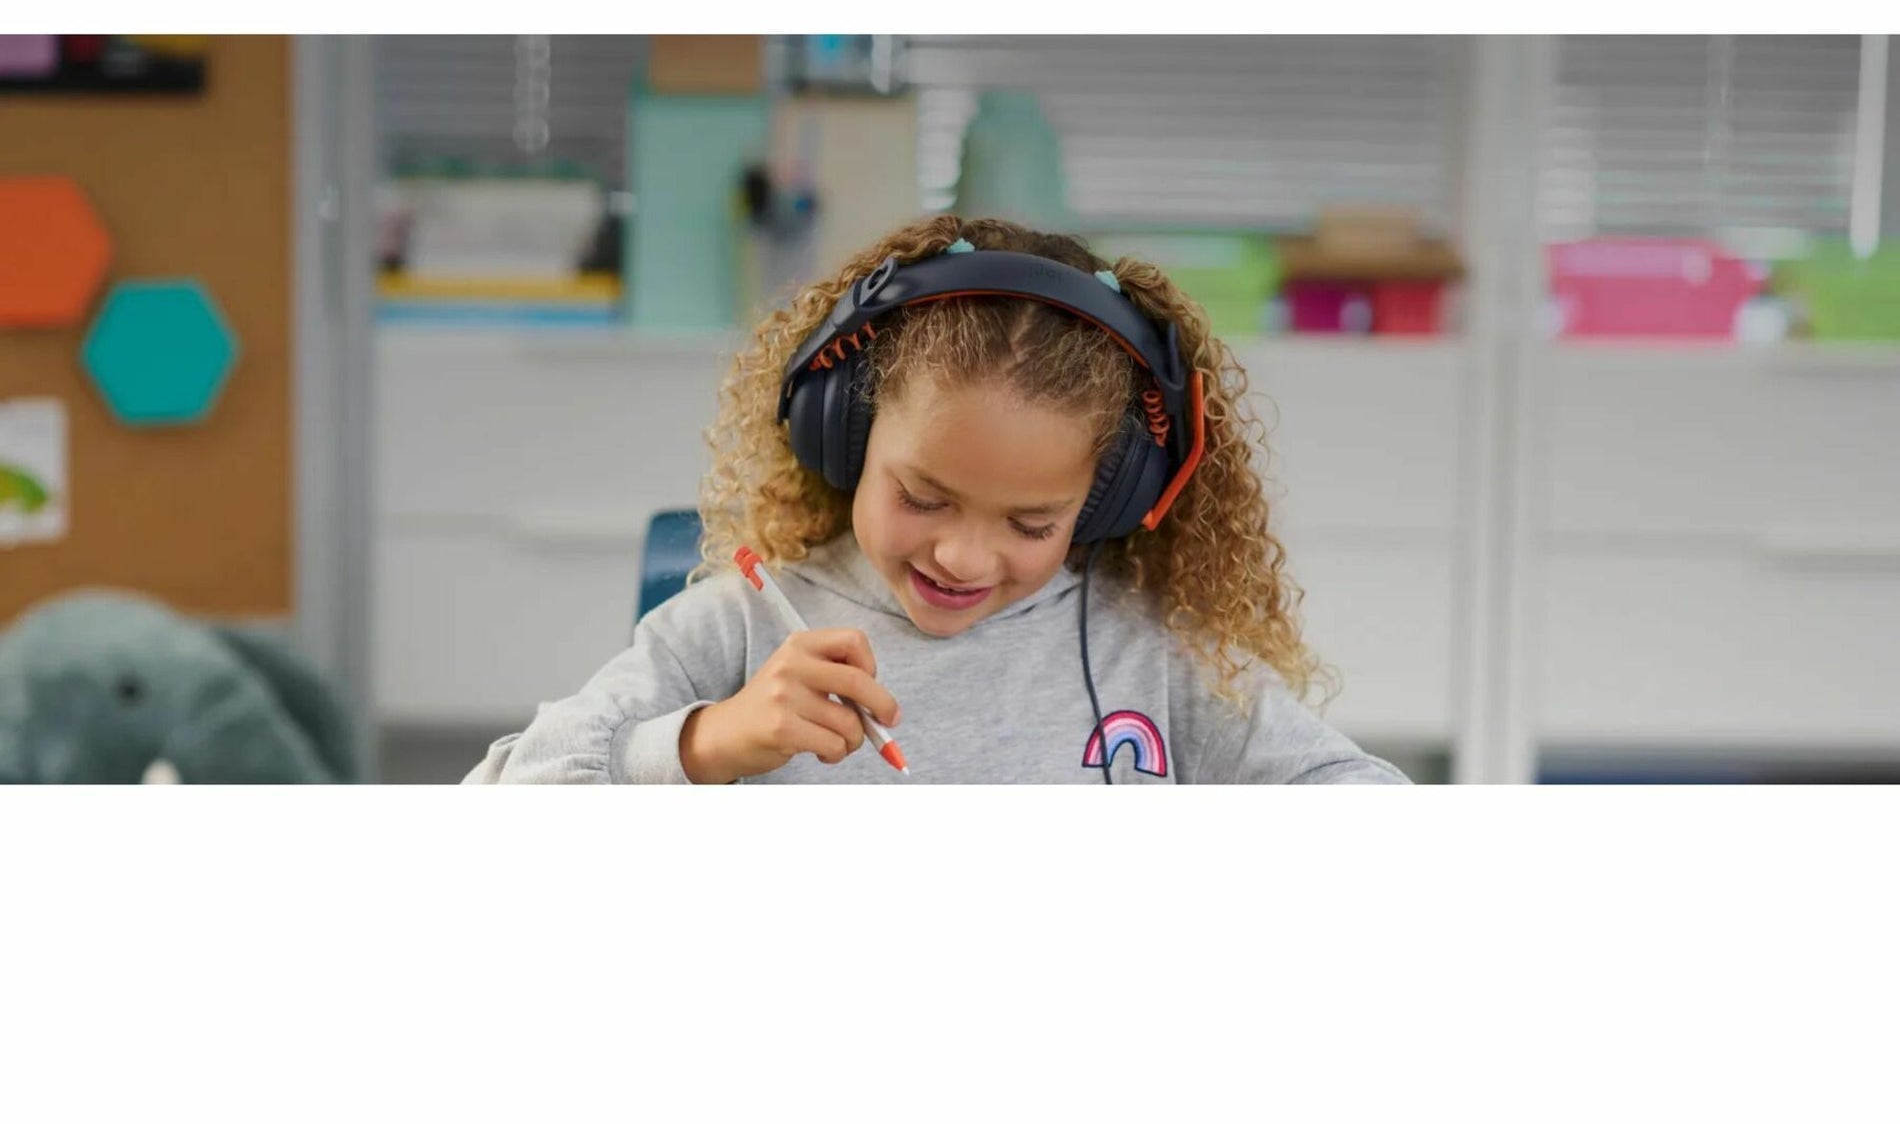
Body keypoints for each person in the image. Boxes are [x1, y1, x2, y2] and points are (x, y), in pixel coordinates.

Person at [465, 216, 1407, 785]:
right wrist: (708, 741)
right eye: (922, 495)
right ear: (843, 434)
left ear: (1110, 499)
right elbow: (503, 788)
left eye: (1030, 524)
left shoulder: (1154, 654)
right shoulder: (740, 630)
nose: (961, 556)